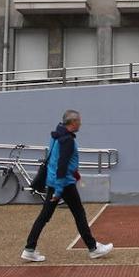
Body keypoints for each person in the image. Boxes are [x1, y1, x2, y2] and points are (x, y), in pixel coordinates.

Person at [21, 110, 114, 263]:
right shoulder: (67, 140)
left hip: (55, 181)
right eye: (79, 122)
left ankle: (29, 249)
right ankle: (93, 249)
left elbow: (56, 160)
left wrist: (73, 173)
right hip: (64, 184)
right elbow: (61, 165)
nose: (80, 124)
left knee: (44, 216)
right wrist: (59, 190)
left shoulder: (56, 135)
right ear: (73, 123)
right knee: (79, 214)